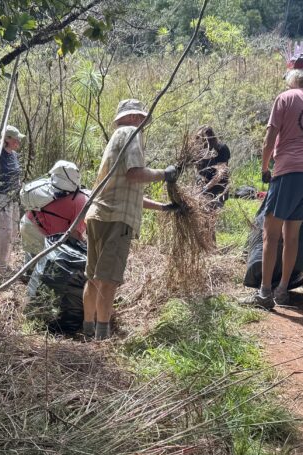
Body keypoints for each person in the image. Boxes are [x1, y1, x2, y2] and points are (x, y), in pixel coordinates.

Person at [245, 41, 303, 310]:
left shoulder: (285, 99)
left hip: (288, 171)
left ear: (292, 75)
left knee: (270, 233)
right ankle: (283, 290)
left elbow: (269, 139)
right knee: (293, 234)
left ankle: (264, 293)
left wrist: (265, 168)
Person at [83, 98, 178, 341]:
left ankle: (87, 332)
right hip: (116, 219)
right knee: (108, 280)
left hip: (98, 214)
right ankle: (102, 339)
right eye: (142, 118)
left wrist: (163, 207)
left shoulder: (116, 138)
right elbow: (135, 174)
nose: (143, 122)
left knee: (93, 278)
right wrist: (164, 175)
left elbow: (127, 190)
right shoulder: (131, 133)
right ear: (136, 117)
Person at [19, 160, 89, 264]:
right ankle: (30, 277)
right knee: (40, 265)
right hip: (36, 228)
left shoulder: (78, 198)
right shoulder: (82, 205)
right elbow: (74, 235)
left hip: (29, 222)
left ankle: (28, 274)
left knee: (34, 259)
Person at [0, 124, 24, 281]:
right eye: (16, 139)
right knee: (5, 231)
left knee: (14, 231)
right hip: (1, 198)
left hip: (14, 198)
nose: (18, 142)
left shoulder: (14, 155)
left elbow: (16, 174)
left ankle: (7, 264)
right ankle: (0, 269)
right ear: (7, 139)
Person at [194, 125, 231, 208]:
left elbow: (221, 172)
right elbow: (197, 167)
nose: (199, 140)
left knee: (212, 213)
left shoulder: (221, 148)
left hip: (218, 188)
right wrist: (200, 181)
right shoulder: (199, 150)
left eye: (201, 137)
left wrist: (206, 187)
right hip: (203, 186)